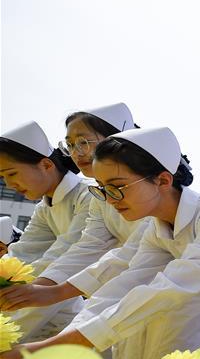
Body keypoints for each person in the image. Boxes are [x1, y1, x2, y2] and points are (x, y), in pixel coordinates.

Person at [0, 126, 200, 359]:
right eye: (103, 189)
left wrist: (56, 343)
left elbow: (172, 286)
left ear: (163, 180)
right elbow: (124, 280)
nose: (110, 200)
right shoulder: (157, 228)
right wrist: (63, 335)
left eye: (118, 187)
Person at [0, 104, 150, 319]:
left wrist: (44, 290)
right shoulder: (97, 197)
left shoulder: (89, 195)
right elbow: (83, 249)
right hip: (119, 295)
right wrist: (34, 287)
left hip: (151, 293)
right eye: (70, 145)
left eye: (83, 142)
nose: (76, 153)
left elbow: (133, 254)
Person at [0, 120, 90, 341]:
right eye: (3, 178)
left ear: (46, 165)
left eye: (12, 173)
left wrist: (22, 288)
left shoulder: (89, 196)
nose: (9, 184)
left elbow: (65, 256)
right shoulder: (45, 207)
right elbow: (21, 255)